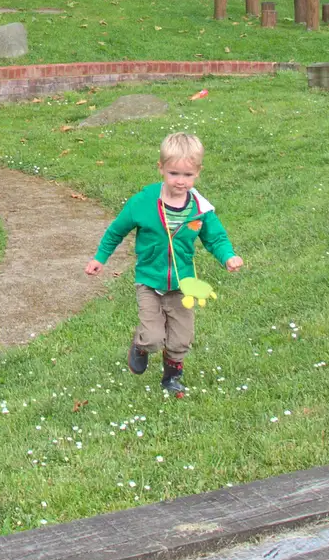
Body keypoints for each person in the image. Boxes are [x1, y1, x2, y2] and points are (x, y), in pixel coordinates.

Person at [85, 131, 243, 396]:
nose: (180, 182)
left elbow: (215, 237)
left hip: (183, 284)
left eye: (188, 175)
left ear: (198, 173)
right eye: (174, 174)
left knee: (181, 339)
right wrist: (100, 258)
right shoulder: (143, 203)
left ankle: (171, 377)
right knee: (154, 337)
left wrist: (227, 255)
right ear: (161, 168)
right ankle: (140, 345)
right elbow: (116, 231)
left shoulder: (200, 209)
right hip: (149, 281)